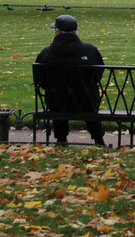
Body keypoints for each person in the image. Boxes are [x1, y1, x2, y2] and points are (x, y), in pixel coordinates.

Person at [34, 14, 106, 146]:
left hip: (56, 103)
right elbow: (97, 75)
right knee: (87, 96)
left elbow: (41, 80)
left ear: (57, 31)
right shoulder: (90, 51)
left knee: (57, 95)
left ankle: (61, 139)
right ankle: (98, 139)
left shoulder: (46, 54)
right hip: (86, 102)